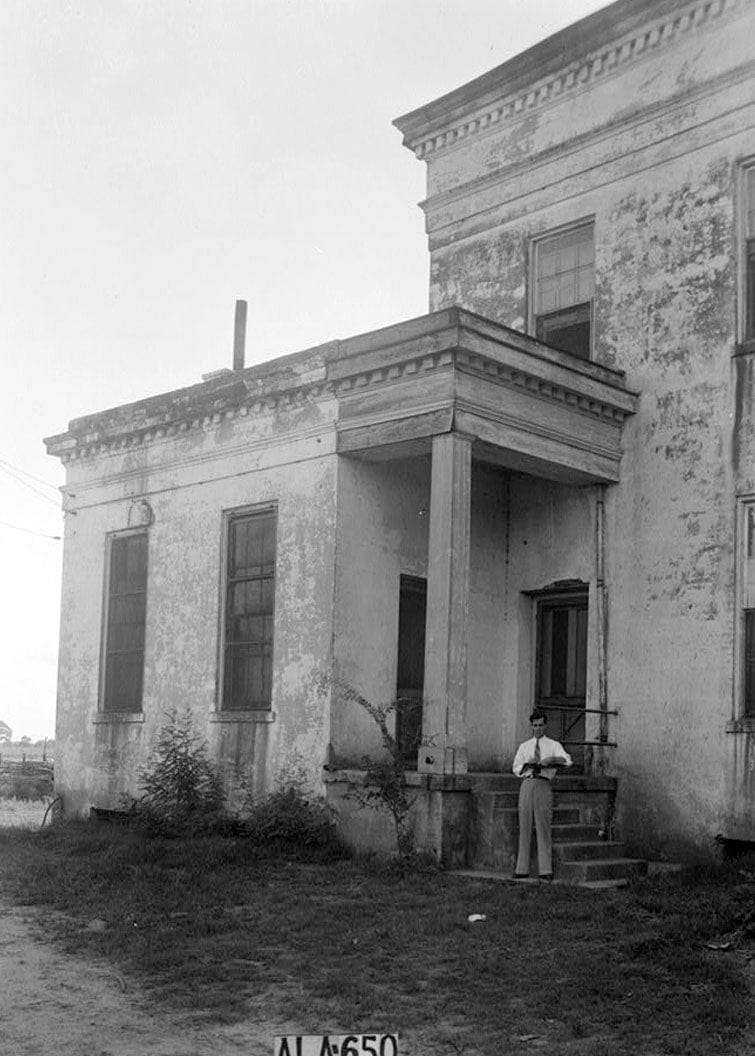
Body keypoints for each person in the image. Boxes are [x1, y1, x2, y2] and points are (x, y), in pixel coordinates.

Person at [512, 710, 572, 881]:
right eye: (535, 725)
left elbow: (567, 760)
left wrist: (551, 759)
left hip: (543, 784)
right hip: (527, 783)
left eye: (540, 725)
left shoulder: (553, 745)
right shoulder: (524, 746)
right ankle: (521, 869)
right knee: (524, 825)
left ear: (545, 725)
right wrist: (527, 765)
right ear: (531, 726)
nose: (537, 728)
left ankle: (545, 870)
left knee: (543, 826)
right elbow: (516, 767)